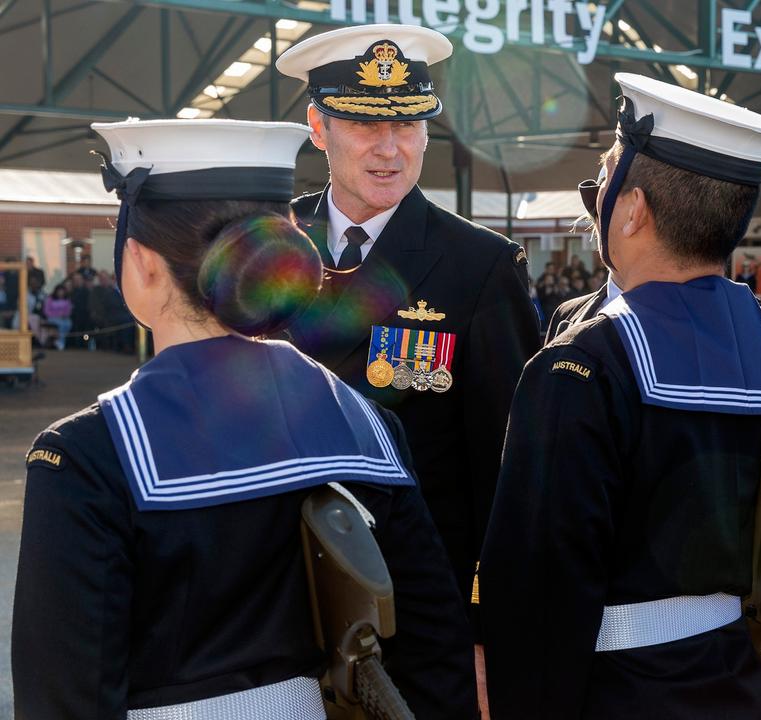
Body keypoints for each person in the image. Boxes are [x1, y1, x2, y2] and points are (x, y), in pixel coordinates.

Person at [12, 118, 474, 718]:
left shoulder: (87, 455)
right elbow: (434, 656)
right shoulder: (366, 423)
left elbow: (64, 699)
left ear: (142, 265)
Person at [480, 73, 761, 720]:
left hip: (617, 692)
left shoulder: (579, 369)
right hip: (744, 684)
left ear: (633, 209)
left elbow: (537, 589)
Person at [275, 24, 540, 627]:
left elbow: (508, 468)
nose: (390, 149)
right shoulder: (271, 243)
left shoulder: (480, 265)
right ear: (319, 128)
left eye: (407, 126)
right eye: (367, 125)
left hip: (418, 604)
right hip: (280, 592)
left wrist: (482, 625)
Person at [42, 283, 72, 350]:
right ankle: (60, 342)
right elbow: (46, 311)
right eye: (59, 291)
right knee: (60, 324)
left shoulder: (67, 300)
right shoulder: (50, 299)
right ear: (56, 291)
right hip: (52, 318)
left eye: (62, 291)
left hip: (63, 318)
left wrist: (64, 315)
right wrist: (56, 315)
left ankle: (59, 341)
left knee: (68, 323)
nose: (61, 293)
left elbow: (68, 311)